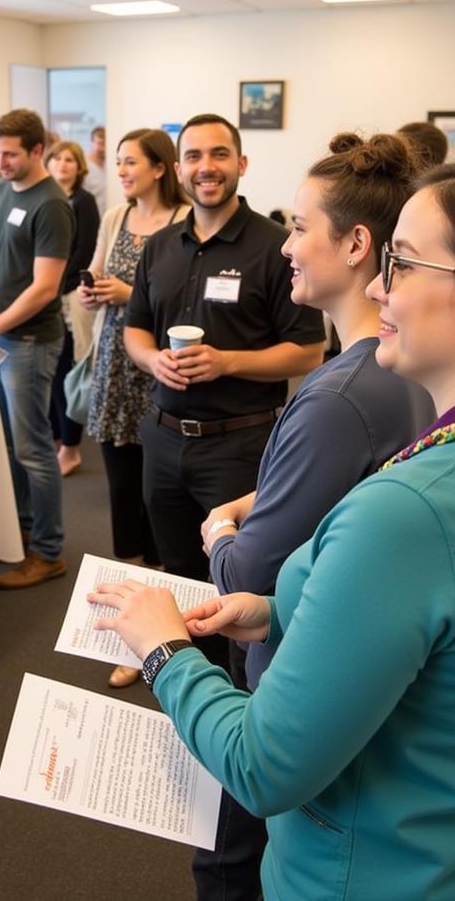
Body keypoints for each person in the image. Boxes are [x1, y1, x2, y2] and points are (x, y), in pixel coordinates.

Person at [93, 158, 455, 901]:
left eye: (400, 264)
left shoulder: (408, 512)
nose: (377, 287)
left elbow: (263, 767)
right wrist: (277, 610)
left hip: (379, 873)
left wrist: (163, 650)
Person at [193, 132, 435, 901]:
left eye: (300, 227)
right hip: (366, 667)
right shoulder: (404, 366)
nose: (287, 247)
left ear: (359, 243)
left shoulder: (339, 394)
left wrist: (221, 529)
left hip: (296, 662)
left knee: (231, 861)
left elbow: (250, 572)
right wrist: (261, 500)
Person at [123, 113, 325, 625]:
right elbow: (135, 332)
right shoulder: (160, 247)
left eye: (218, 155)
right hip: (164, 440)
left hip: (240, 445)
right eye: (193, 156)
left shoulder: (277, 246)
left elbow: (307, 352)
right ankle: (178, 674)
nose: (206, 167)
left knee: (238, 582)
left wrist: (225, 362)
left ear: (241, 163)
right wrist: (154, 360)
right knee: (176, 569)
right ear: (177, 168)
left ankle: (234, 695)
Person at [78, 127, 190, 688]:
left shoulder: (185, 222)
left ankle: (167, 627)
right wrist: (95, 291)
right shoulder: (115, 218)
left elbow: (176, 298)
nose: (121, 171)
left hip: (162, 367)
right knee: (123, 494)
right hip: (114, 366)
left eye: (130, 163)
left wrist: (127, 294)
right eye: (118, 162)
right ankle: (131, 625)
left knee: (160, 500)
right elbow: (101, 272)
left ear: (161, 168)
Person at [0, 108, 73, 590]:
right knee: (2, 442)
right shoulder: (1, 191)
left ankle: (48, 551)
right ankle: (21, 527)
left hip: (27, 342)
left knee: (32, 447)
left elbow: (45, 288)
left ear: (36, 151)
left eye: (10, 154)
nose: (1, 162)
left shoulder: (52, 205)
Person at [45, 137, 100, 476]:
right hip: (49, 297)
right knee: (53, 371)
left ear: (79, 167)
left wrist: (50, 282)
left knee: (69, 372)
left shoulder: (84, 201)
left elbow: (84, 254)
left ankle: (71, 447)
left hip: (69, 297)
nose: (62, 165)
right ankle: (57, 438)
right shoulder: (49, 200)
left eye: (69, 160)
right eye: (57, 159)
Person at [83, 124, 106, 212]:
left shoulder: (112, 166)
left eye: (106, 143)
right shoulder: (85, 167)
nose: (104, 148)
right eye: (100, 143)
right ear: (91, 143)